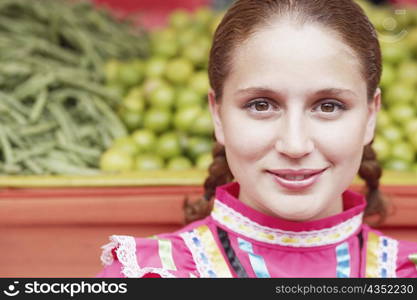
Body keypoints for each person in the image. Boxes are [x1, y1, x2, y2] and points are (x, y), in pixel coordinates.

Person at [97, 0, 417, 278]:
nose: (295, 145)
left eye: (328, 106)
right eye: (261, 105)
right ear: (218, 115)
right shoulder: (149, 275)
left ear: (371, 116)